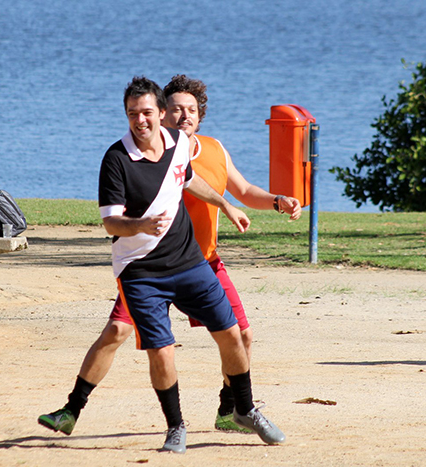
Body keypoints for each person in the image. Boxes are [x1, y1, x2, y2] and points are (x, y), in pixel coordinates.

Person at [38, 75, 300, 440]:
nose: (183, 116)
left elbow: (231, 187)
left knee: (240, 333)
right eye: (176, 109)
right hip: (144, 266)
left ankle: (234, 410)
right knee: (120, 332)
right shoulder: (126, 156)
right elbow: (112, 219)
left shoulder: (205, 148)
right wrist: (141, 222)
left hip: (199, 261)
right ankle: (74, 409)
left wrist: (251, 202)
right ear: (164, 113)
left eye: (190, 110)